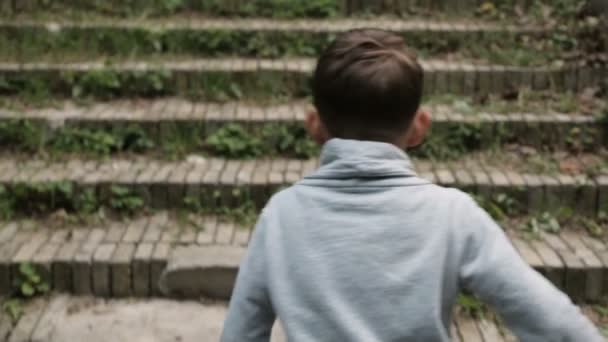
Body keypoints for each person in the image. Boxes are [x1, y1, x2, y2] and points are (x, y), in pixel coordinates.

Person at [221, 29, 602, 341]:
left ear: (315, 125)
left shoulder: (281, 215)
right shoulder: (453, 215)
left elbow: (241, 333)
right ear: (420, 127)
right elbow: (554, 323)